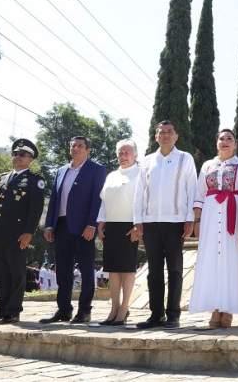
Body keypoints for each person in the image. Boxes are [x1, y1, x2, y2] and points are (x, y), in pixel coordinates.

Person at [132, 120, 196, 329]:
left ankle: (173, 315)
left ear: (176, 136)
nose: (166, 135)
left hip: (175, 222)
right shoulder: (147, 161)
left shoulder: (185, 158)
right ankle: (156, 314)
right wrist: (137, 221)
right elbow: (139, 193)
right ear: (156, 137)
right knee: (154, 271)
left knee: (175, 269)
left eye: (169, 132)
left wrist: (189, 219)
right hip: (150, 223)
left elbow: (191, 189)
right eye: (161, 132)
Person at [189, 129, 238, 328]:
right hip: (210, 216)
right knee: (212, 260)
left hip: (233, 216)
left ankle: (227, 310)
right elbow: (199, 194)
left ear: (235, 144)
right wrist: (197, 221)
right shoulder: (208, 165)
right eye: (221, 138)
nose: (225, 141)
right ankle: (215, 308)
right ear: (216, 142)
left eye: (229, 139)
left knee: (231, 259)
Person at [40, 136, 107, 325]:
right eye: (73, 146)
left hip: (84, 227)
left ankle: (84, 311)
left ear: (88, 150)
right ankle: (63, 310)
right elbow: (54, 199)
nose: (76, 148)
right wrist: (49, 224)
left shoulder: (97, 169)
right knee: (62, 270)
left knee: (86, 270)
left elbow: (98, 199)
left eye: (80, 146)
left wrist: (92, 224)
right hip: (61, 226)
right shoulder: (61, 170)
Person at [0, 138, 45, 325]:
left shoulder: (35, 180)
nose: (17, 157)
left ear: (30, 159)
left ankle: (13, 312)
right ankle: (1, 311)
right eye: (15, 154)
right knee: (1, 275)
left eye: (22, 154)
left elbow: (35, 209)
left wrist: (28, 233)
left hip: (18, 235)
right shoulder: (1, 178)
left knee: (16, 274)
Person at [96, 139, 141, 326]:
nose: (123, 156)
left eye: (127, 152)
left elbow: (143, 201)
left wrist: (139, 225)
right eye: (120, 153)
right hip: (112, 227)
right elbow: (104, 201)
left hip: (130, 226)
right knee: (113, 271)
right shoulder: (111, 175)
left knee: (127, 270)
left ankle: (124, 308)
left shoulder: (141, 174)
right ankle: (114, 308)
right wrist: (101, 223)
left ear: (135, 154)